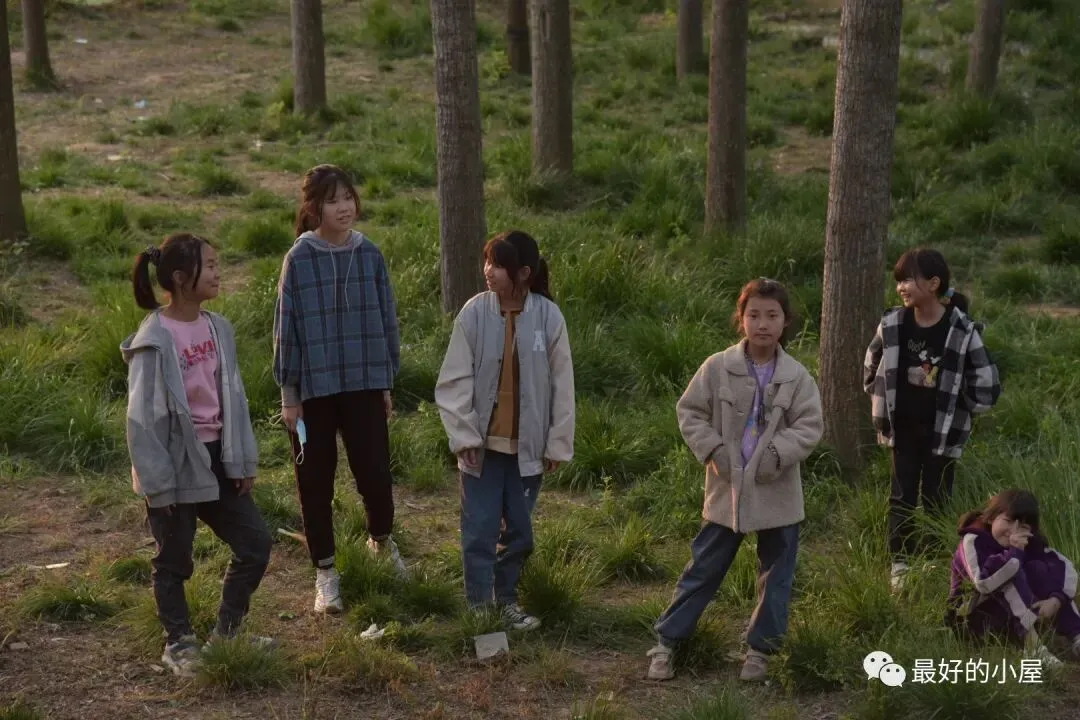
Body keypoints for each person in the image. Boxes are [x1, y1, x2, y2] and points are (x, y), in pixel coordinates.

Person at [646, 278, 822, 683]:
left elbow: (810, 425)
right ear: (740, 319)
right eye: (754, 315)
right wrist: (715, 451)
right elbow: (690, 411)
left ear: (785, 322)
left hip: (778, 492)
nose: (763, 324)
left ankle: (761, 650)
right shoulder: (716, 367)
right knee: (704, 567)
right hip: (726, 489)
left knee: (777, 574)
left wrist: (776, 455)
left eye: (772, 316)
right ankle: (667, 642)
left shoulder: (797, 377)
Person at [122, 233, 272, 677]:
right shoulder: (153, 340)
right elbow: (141, 421)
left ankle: (229, 632)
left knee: (255, 544)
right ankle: (179, 642)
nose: (219, 272)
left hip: (218, 457)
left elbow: (235, 398)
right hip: (174, 463)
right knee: (174, 559)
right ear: (181, 278)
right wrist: (158, 485)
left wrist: (241, 461)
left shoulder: (218, 328)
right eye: (210, 265)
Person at [273, 164, 405, 615]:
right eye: (332, 201)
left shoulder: (370, 254)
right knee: (315, 483)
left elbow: (386, 319)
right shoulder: (299, 258)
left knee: (375, 474)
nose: (344, 208)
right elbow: (285, 330)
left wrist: (385, 381)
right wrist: (289, 394)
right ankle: (325, 572)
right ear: (314, 208)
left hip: (365, 381)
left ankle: (381, 542)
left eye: (348, 197)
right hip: (314, 388)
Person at [434, 230, 575, 632]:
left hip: (528, 448)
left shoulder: (548, 317)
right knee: (479, 528)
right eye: (487, 261)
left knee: (519, 531)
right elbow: (454, 380)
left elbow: (563, 384)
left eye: (498, 265)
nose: (488, 271)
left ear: (524, 272)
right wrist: (464, 436)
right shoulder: (474, 313)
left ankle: (506, 601)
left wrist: (557, 443)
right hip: (481, 447)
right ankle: (480, 607)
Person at [864, 248, 1002, 592]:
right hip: (902, 429)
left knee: (937, 495)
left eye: (908, 280)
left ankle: (937, 558)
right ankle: (900, 562)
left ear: (934, 283)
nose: (901, 287)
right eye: (898, 281)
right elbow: (872, 360)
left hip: (943, 432)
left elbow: (986, 382)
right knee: (902, 495)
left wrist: (963, 405)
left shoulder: (962, 330)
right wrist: (877, 391)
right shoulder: (893, 323)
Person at [947, 489, 1078, 668]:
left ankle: (1077, 637)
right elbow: (983, 583)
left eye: (1023, 526)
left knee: (1040, 568)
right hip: (970, 619)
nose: (1013, 531)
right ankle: (1034, 649)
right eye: (1008, 521)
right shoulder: (973, 540)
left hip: (1010, 619)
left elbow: (1064, 567)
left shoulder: (1029, 540)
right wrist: (1015, 552)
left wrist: (1056, 599)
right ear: (992, 518)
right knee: (1009, 576)